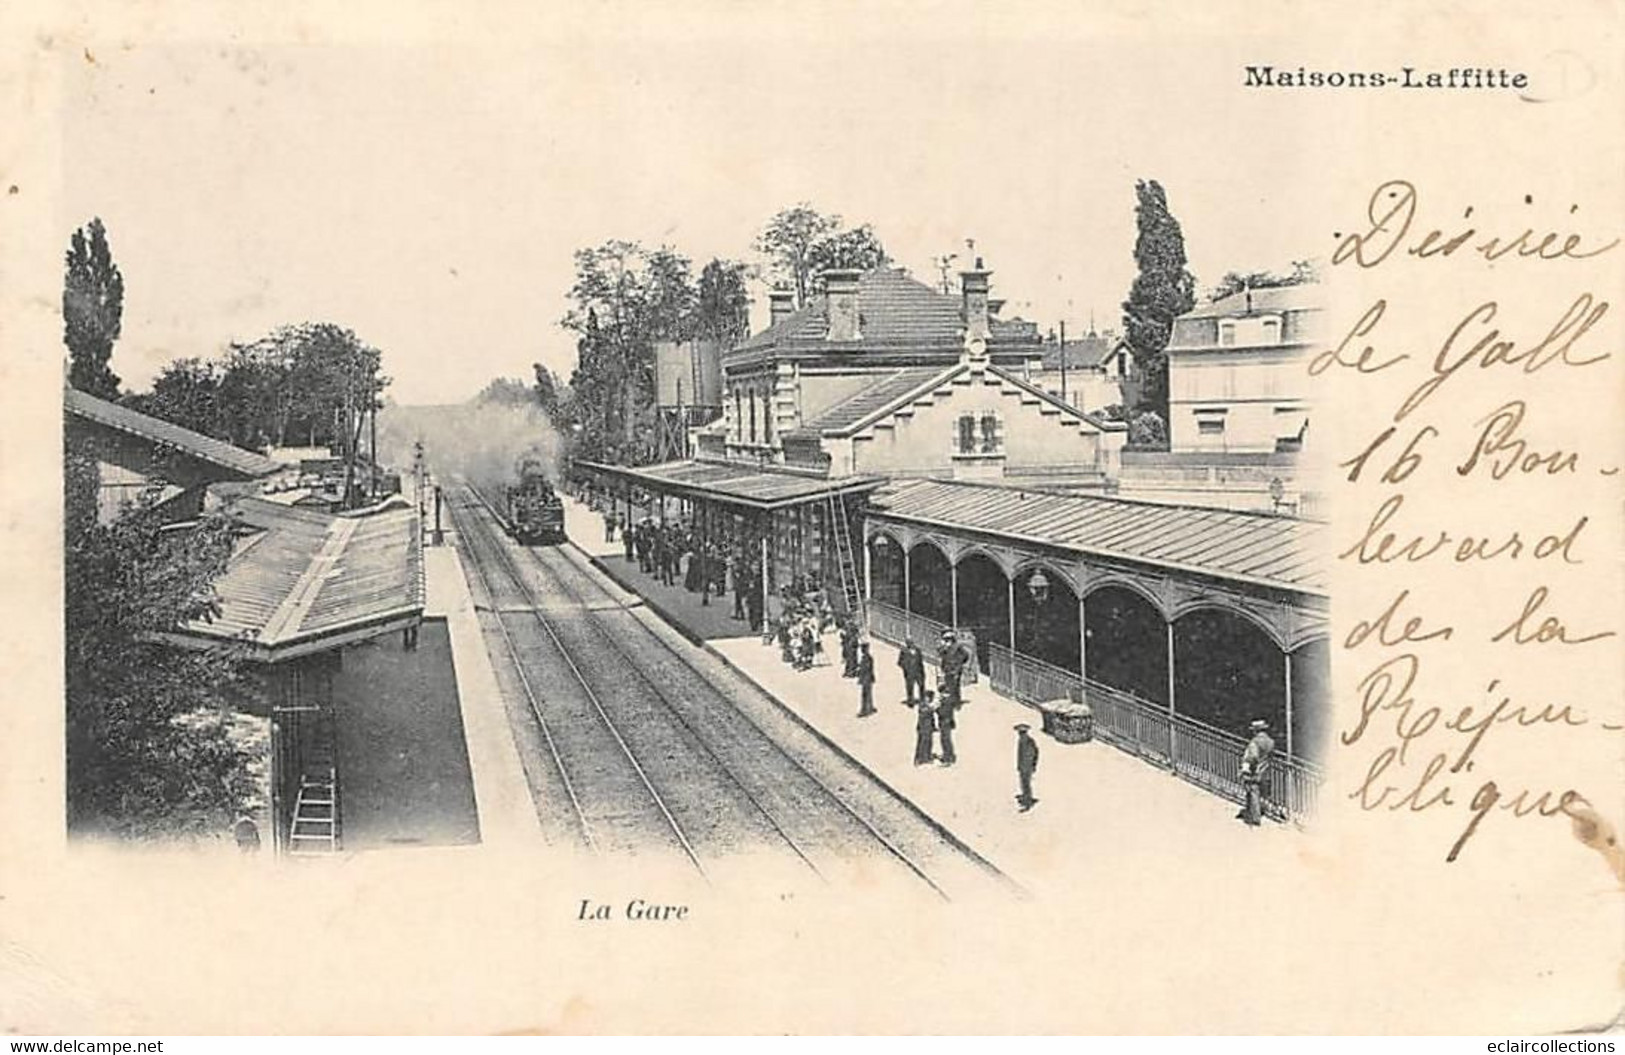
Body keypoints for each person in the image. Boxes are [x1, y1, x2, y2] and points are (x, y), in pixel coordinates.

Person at [1237, 718, 1276, 827]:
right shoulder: (1270, 742)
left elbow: (1252, 757)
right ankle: (1259, 811)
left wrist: (1246, 769)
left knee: (1252, 792)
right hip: (1265, 770)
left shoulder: (1254, 742)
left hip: (1255, 771)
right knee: (1262, 793)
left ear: (1255, 731)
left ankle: (1255, 817)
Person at [938, 631, 967, 708]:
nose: (947, 641)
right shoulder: (945, 647)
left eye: (948, 639)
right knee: (948, 684)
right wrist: (944, 647)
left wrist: (959, 663)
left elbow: (965, 655)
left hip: (955, 668)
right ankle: (951, 700)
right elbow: (940, 654)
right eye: (945, 639)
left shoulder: (958, 646)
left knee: (955, 685)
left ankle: (956, 702)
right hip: (947, 668)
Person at [1015, 723, 1040, 811]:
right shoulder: (1022, 741)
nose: (1020, 734)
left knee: (1026, 783)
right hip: (1023, 765)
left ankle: (1027, 801)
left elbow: (1032, 754)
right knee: (1024, 783)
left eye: (1021, 733)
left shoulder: (1028, 742)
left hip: (1026, 766)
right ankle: (1026, 796)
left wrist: (1031, 765)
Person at [936, 684, 960, 765]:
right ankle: (947, 755)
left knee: (945, 740)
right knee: (946, 740)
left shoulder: (946, 701)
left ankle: (948, 758)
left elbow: (943, 712)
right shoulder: (948, 699)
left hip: (945, 722)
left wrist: (937, 708)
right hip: (947, 722)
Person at [897, 639, 926, 705]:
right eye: (909, 643)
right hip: (909, 673)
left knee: (921, 686)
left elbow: (920, 661)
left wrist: (922, 671)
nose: (911, 645)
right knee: (910, 687)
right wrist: (906, 667)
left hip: (918, 671)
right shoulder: (904, 652)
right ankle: (910, 700)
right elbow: (899, 662)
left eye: (912, 643)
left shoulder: (918, 650)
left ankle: (922, 699)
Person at [914, 691, 938, 765]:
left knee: (928, 742)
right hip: (924, 727)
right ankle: (922, 758)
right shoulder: (923, 704)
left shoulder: (926, 704)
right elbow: (924, 712)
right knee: (924, 743)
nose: (930, 699)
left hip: (928, 727)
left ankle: (926, 756)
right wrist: (932, 708)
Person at [856, 643, 876, 717]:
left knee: (865, 694)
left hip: (866, 678)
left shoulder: (866, 658)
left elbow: (866, 668)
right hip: (868, 678)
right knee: (868, 694)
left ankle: (865, 710)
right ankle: (869, 708)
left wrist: (859, 671)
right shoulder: (867, 658)